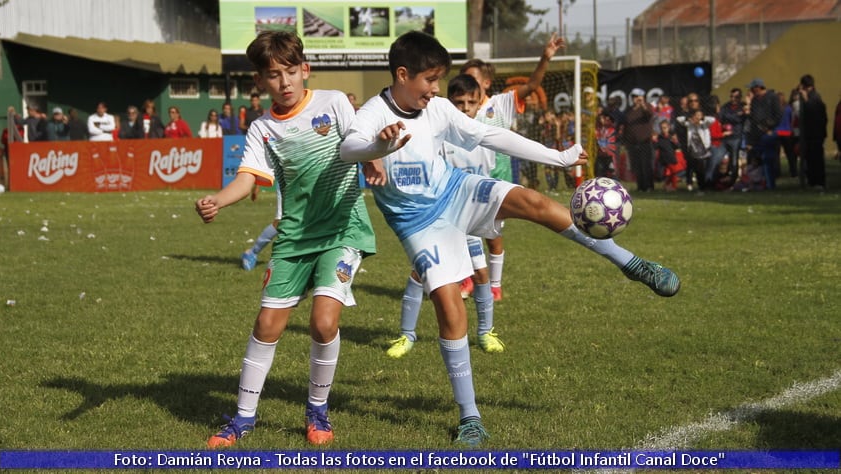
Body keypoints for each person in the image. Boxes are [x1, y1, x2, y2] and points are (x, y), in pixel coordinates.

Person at [340, 31, 680, 447]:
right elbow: (349, 147)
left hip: (456, 190)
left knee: (530, 200)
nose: (435, 89)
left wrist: (554, 156)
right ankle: (470, 416)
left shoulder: (440, 109)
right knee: (449, 309)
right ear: (403, 74)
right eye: (430, 80)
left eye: (439, 80)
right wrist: (377, 145)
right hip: (418, 223)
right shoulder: (376, 112)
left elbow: (489, 135)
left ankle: (630, 262)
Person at [196, 30, 376, 449]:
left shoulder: (333, 103)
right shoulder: (261, 129)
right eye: (274, 75)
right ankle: (242, 419)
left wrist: (377, 156)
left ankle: (317, 410)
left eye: (291, 71)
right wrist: (218, 201)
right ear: (260, 82)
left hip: (342, 229)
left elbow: (358, 144)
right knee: (267, 325)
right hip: (294, 237)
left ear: (305, 69)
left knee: (323, 321)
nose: (285, 82)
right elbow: (248, 179)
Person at [386, 74, 504, 360]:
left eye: (470, 103)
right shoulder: (440, 134)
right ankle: (406, 335)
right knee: (421, 272)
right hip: (441, 215)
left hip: (470, 215)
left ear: (479, 105)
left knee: (480, 272)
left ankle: (486, 332)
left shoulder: (486, 138)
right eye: (459, 102)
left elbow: (488, 179)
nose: (465, 108)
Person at [457, 32, 566, 302]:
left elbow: (532, 84)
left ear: (486, 82)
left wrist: (545, 57)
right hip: (465, 180)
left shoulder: (500, 103)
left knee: (492, 235)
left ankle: (494, 285)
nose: (468, 84)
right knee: (460, 231)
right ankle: (467, 279)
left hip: (497, 180)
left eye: (473, 79)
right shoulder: (456, 109)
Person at [745, 78, 782, 190]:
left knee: (768, 158)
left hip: (768, 133)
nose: (751, 90)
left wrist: (769, 127)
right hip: (757, 134)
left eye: (752, 88)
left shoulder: (772, 97)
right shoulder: (755, 100)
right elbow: (753, 118)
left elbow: (778, 115)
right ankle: (761, 183)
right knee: (756, 159)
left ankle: (770, 184)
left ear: (758, 87)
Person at [797, 74, 828, 190]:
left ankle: (818, 182)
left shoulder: (814, 98)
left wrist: (806, 100)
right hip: (810, 134)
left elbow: (814, 114)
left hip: (815, 133)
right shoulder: (813, 97)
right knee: (809, 158)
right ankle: (812, 181)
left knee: (816, 158)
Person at [623, 88, 655, 192]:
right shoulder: (629, 110)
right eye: (634, 96)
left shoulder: (647, 107)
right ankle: (640, 186)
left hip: (645, 142)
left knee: (646, 165)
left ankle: (649, 186)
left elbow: (649, 114)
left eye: (638, 96)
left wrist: (643, 105)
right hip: (632, 143)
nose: (636, 99)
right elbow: (626, 125)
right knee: (637, 166)